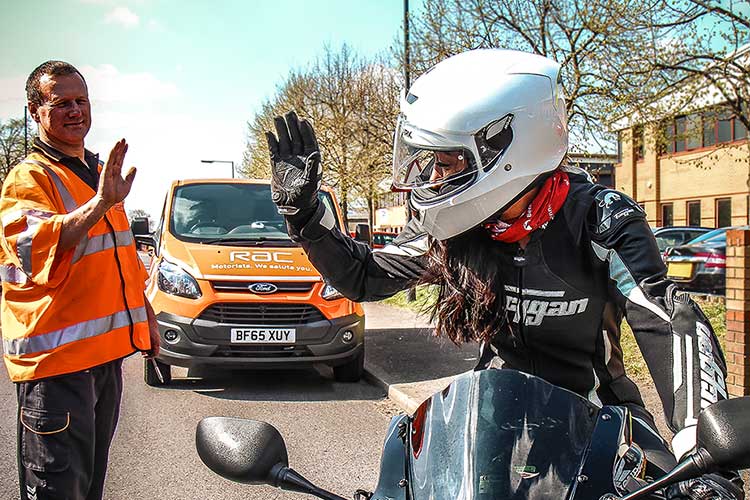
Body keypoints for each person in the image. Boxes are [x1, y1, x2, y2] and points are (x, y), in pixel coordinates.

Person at [266, 49, 744, 499]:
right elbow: (362, 275)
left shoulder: (599, 220)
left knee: (680, 484)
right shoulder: (455, 231)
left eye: (447, 162)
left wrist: (703, 447)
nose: (431, 180)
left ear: (506, 150)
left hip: (603, 416)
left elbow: (668, 317)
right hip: (488, 417)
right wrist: (307, 218)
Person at [0, 61, 159, 500]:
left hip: (102, 361)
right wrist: (101, 203)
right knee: (57, 491)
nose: (75, 111)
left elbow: (118, 260)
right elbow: (36, 248)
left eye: (82, 101)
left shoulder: (95, 169)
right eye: (61, 102)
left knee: (88, 489)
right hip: (56, 367)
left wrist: (145, 317)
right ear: (35, 111)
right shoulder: (29, 177)